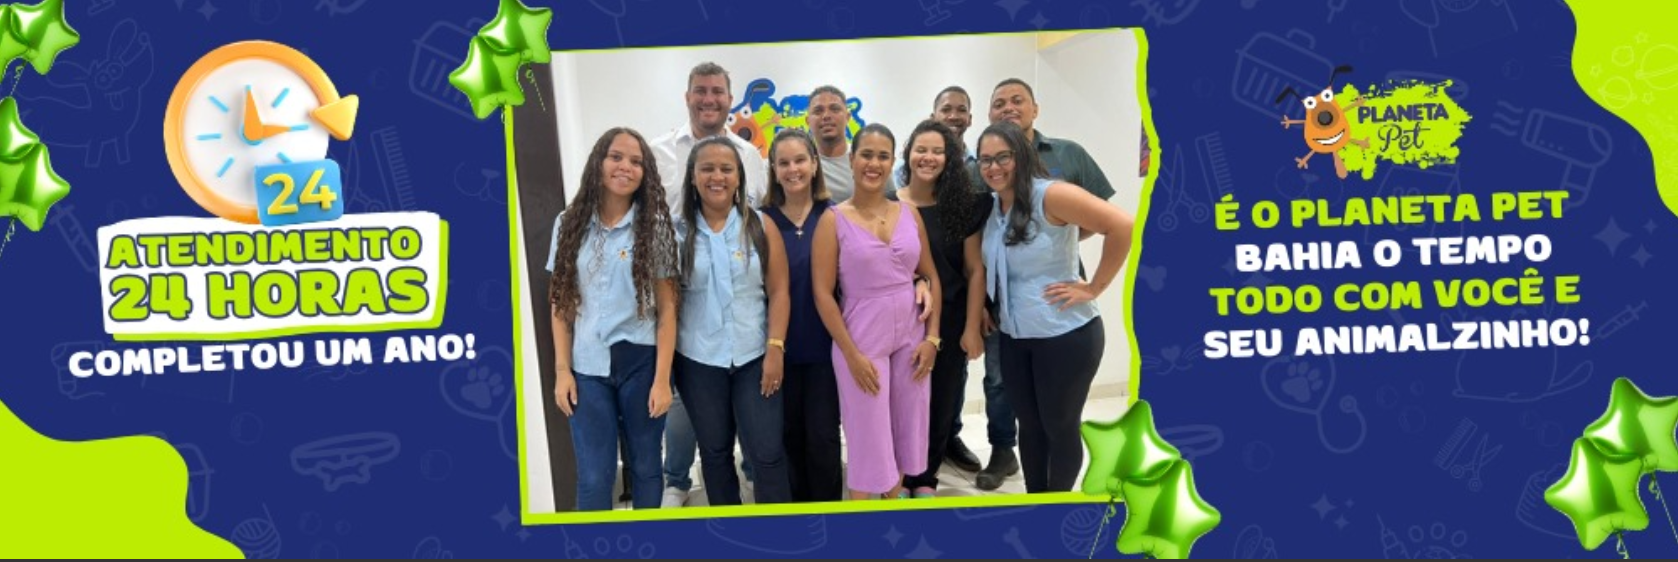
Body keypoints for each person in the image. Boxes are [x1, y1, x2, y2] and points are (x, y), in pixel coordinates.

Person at [971, 78, 1120, 489]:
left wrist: (1094, 288)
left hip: (1064, 333)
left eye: (1003, 157)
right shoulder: (995, 207)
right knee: (1030, 426)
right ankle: (1037, 501)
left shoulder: (1050, 193)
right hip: (1016, 336)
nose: (994, 167)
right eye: (985, 160)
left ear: (1020, 156)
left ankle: (1058, 505)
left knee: (1059, 425)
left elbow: (1121, 225)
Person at [648, 61, 768, 507]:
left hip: (738, 291)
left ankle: (750, 472)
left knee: (744, 402)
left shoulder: (750, 155)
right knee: (685, 397)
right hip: (679, 291)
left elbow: (758, 218)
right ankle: (677, 478)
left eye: (718, 91)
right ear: (687, 97)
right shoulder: (659, 152)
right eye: (701, 90)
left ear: (730, 100)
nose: (709, 99)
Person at [547, 127, 680, 510]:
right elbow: (560, 303)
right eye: (616, 157)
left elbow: (668, 309)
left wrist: (662, 381)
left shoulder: (655, 227)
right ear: (598, 163)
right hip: (587, 367)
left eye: (636, 161)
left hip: (642, 365)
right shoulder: (568, 224)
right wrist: (562, 371)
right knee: (594, 476)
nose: (626, 167)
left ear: (645, 172)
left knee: (647, 467)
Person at [812, 123, 942, 500]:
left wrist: (933, 339)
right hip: (861, 336)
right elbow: (823, 294)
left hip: (912, 336)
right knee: (868, 439)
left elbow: (931, 276)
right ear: (852, 160)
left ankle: (892, 515)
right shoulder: (833, 220)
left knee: (905, 428)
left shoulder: (909, 213)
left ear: (892, 162)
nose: (874, 163)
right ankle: (861, 521)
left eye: (883, 156)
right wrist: (851, 355)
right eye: (866, 155)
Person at [671, 137, 793, 506]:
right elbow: (667, 302)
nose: (717, 176)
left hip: (754, 356)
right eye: (707, 168)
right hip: (698, 360)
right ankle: (731, 529)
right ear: (693, 176)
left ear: (739, 176)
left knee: (767, 452)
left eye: (726, 169)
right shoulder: (677, 232)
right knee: (714, 452)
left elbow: (780, 292)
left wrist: (775, 349)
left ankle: (781, 530)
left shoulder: (761, 225)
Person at [893, 121, 989, 498]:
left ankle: (925, 478)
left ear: (949, 159)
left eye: (938, 151)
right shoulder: (890, 203)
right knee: (903, 401)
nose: (928, 157)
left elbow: (974, 270)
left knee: (941, 401)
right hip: (901, 321)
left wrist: (971, 327)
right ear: (908, 154)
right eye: (921, 149)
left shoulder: (961, 208)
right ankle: (899, 476)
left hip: (949, 319)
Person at [761, 129, 844, 502]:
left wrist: (921, 280)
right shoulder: (760, 221)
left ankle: (829, 517)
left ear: (814, 164)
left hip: (826, 348)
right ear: (773, 170)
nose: (792, 169)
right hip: (776, 350)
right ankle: (797, 519)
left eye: (799, 160)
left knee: (823, 437)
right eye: (783, 163)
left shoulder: (837, 216)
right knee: (788, 437)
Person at [806, 85, 856, 203]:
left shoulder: (864, 160)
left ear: (847, 117)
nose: (826, 116)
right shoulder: (799, 164)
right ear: (808, 121)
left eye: (835, 109)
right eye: (818, 111)